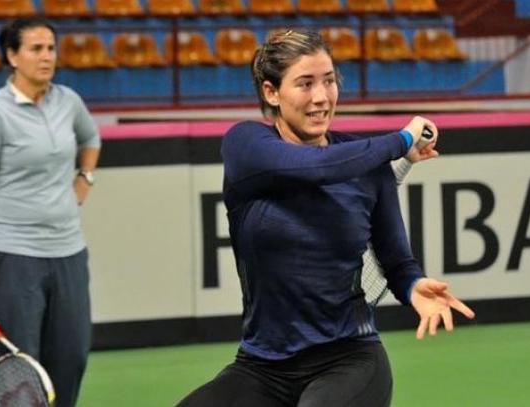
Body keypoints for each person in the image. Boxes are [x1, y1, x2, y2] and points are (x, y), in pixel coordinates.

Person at [177, 29, 475, 407]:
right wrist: (400, 141)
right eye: (305, 84)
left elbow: (397, 262)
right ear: (271, 92)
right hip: (261, 365)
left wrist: (414, 286)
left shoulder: (368, 163)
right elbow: (316, 168)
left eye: (329, 81)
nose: (321, 97)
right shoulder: (245, 145)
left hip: (349, 359)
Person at [0, 17, 100, 407]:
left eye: (51, 48)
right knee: (21, 372)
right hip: (15, 256)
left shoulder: (68, 101)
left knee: (70, 361)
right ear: (12, 56)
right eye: (36, 49)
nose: (46, 57)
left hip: (70, 253)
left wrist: (83, 180)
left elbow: (90, 138)